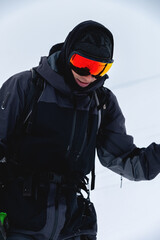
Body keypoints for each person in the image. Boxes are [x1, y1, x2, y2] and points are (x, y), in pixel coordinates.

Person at [0, 20, 160, 240]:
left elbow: (124, 158)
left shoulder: (102, 102)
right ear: (68, 54)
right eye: (82, 62)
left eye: (99, 68)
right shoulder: (26, 86)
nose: (88, 75)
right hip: (19, 221)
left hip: (73, 224)